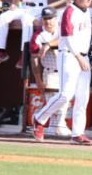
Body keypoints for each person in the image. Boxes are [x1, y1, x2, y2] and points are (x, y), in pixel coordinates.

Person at [32, 0, 92, 146]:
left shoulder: (87, 12)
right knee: (65, 94)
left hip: (83, 56)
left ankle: (77, 134)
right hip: (69, 55)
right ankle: (39, 118)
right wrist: (78, 57)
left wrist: (84, 57)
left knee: (83, 97)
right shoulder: (69, 11)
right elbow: (66, 37)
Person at [30, 7, 70, 137]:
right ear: (42, 20)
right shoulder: (38, 35)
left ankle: (55, 127)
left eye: (50, 18)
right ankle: (57, 125)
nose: (48, 21)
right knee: (53, 100)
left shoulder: (62, 27)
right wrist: (38, 80)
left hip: (66, 70)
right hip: (50, 71)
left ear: (56, 18)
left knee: (65, 100)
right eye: (45, 18)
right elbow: (34, 59)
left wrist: (48, 45)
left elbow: (66, 37)